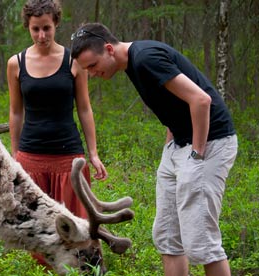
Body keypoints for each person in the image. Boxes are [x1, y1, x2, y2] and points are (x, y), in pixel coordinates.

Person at [70, 23, 237, 276]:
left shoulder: (146, 58)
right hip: (179, 145)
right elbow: (174, 105)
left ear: (108, 49)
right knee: (167, 236)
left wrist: (196, 155)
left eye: (93, 65)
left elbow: (201, 100)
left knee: (200, 240)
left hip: (210, 143)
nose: (92, 73)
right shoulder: (132, 65)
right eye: (87, 69)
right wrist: (170, 146)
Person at [6, 0, 107, 221]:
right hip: (31, 155)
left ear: (56, 24)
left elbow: (84, 108)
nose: (41, 35)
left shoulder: (74, 61)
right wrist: (15, 155)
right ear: (28, 27)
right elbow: (15, 112)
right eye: (35, 29)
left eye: (46, 28)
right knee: (37, 227)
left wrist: (93, 153)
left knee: (76, 224)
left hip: (68, 155)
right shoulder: (16, 63)